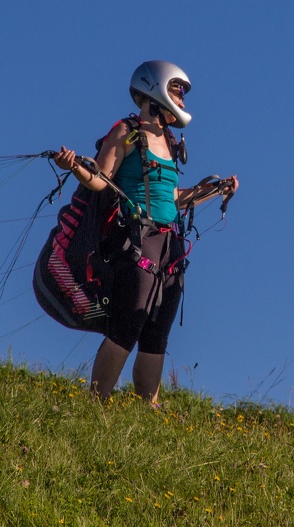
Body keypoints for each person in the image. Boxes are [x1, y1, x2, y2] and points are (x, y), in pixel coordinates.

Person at [51, 60, 238, 405]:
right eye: (178, 90)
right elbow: (101, 179)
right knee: (127, 326)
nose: (183, 99)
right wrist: (74, 166)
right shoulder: (126, 131)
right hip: (138, 241)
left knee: (157, 333)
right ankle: (96, 404)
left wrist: (216, 190)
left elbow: (173, 198)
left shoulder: (168, 140)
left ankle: (148, 408)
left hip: (170, 245)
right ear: (157, 89)